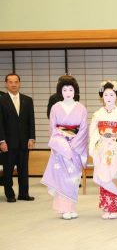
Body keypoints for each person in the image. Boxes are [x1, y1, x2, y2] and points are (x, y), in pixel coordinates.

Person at [41, 75, 88, 219]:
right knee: (62, 178)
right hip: (61, 148)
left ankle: (71, 207)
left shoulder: (81, 107)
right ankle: (64, 208)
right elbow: (53, 128)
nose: (68, 92)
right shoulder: (55, 107)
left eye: (71, 89)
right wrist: (62, 144)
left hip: (75, 147)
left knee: (73, 179)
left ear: (75, 91)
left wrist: (73, 144)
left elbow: (84, 128)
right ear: (60, 91)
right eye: (65, 89)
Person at [89, 81, 117, 220]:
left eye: (112, 94)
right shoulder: (98, 114)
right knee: (104, 176)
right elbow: (93, 132)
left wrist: (116, 139)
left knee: (115, 175)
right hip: (102, 148)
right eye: (106, 95)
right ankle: (106, 207)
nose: (109, 97)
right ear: (102, 97)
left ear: (116, 96)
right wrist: (98, 142)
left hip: (116, 148)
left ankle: (115, 208)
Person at [0, 73, 36, 202]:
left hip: (24, 142)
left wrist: (31, 138)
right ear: (6, 84)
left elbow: (31, 121)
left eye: (16, 82)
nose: (14, 84)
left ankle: (23, 193)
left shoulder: (27, 100)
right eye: (10, 82)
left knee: (23, 169)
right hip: (8, 142)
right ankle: (9, 194)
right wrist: (1, 141)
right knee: (8, 170)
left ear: (20, 83)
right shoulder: (2, 100)